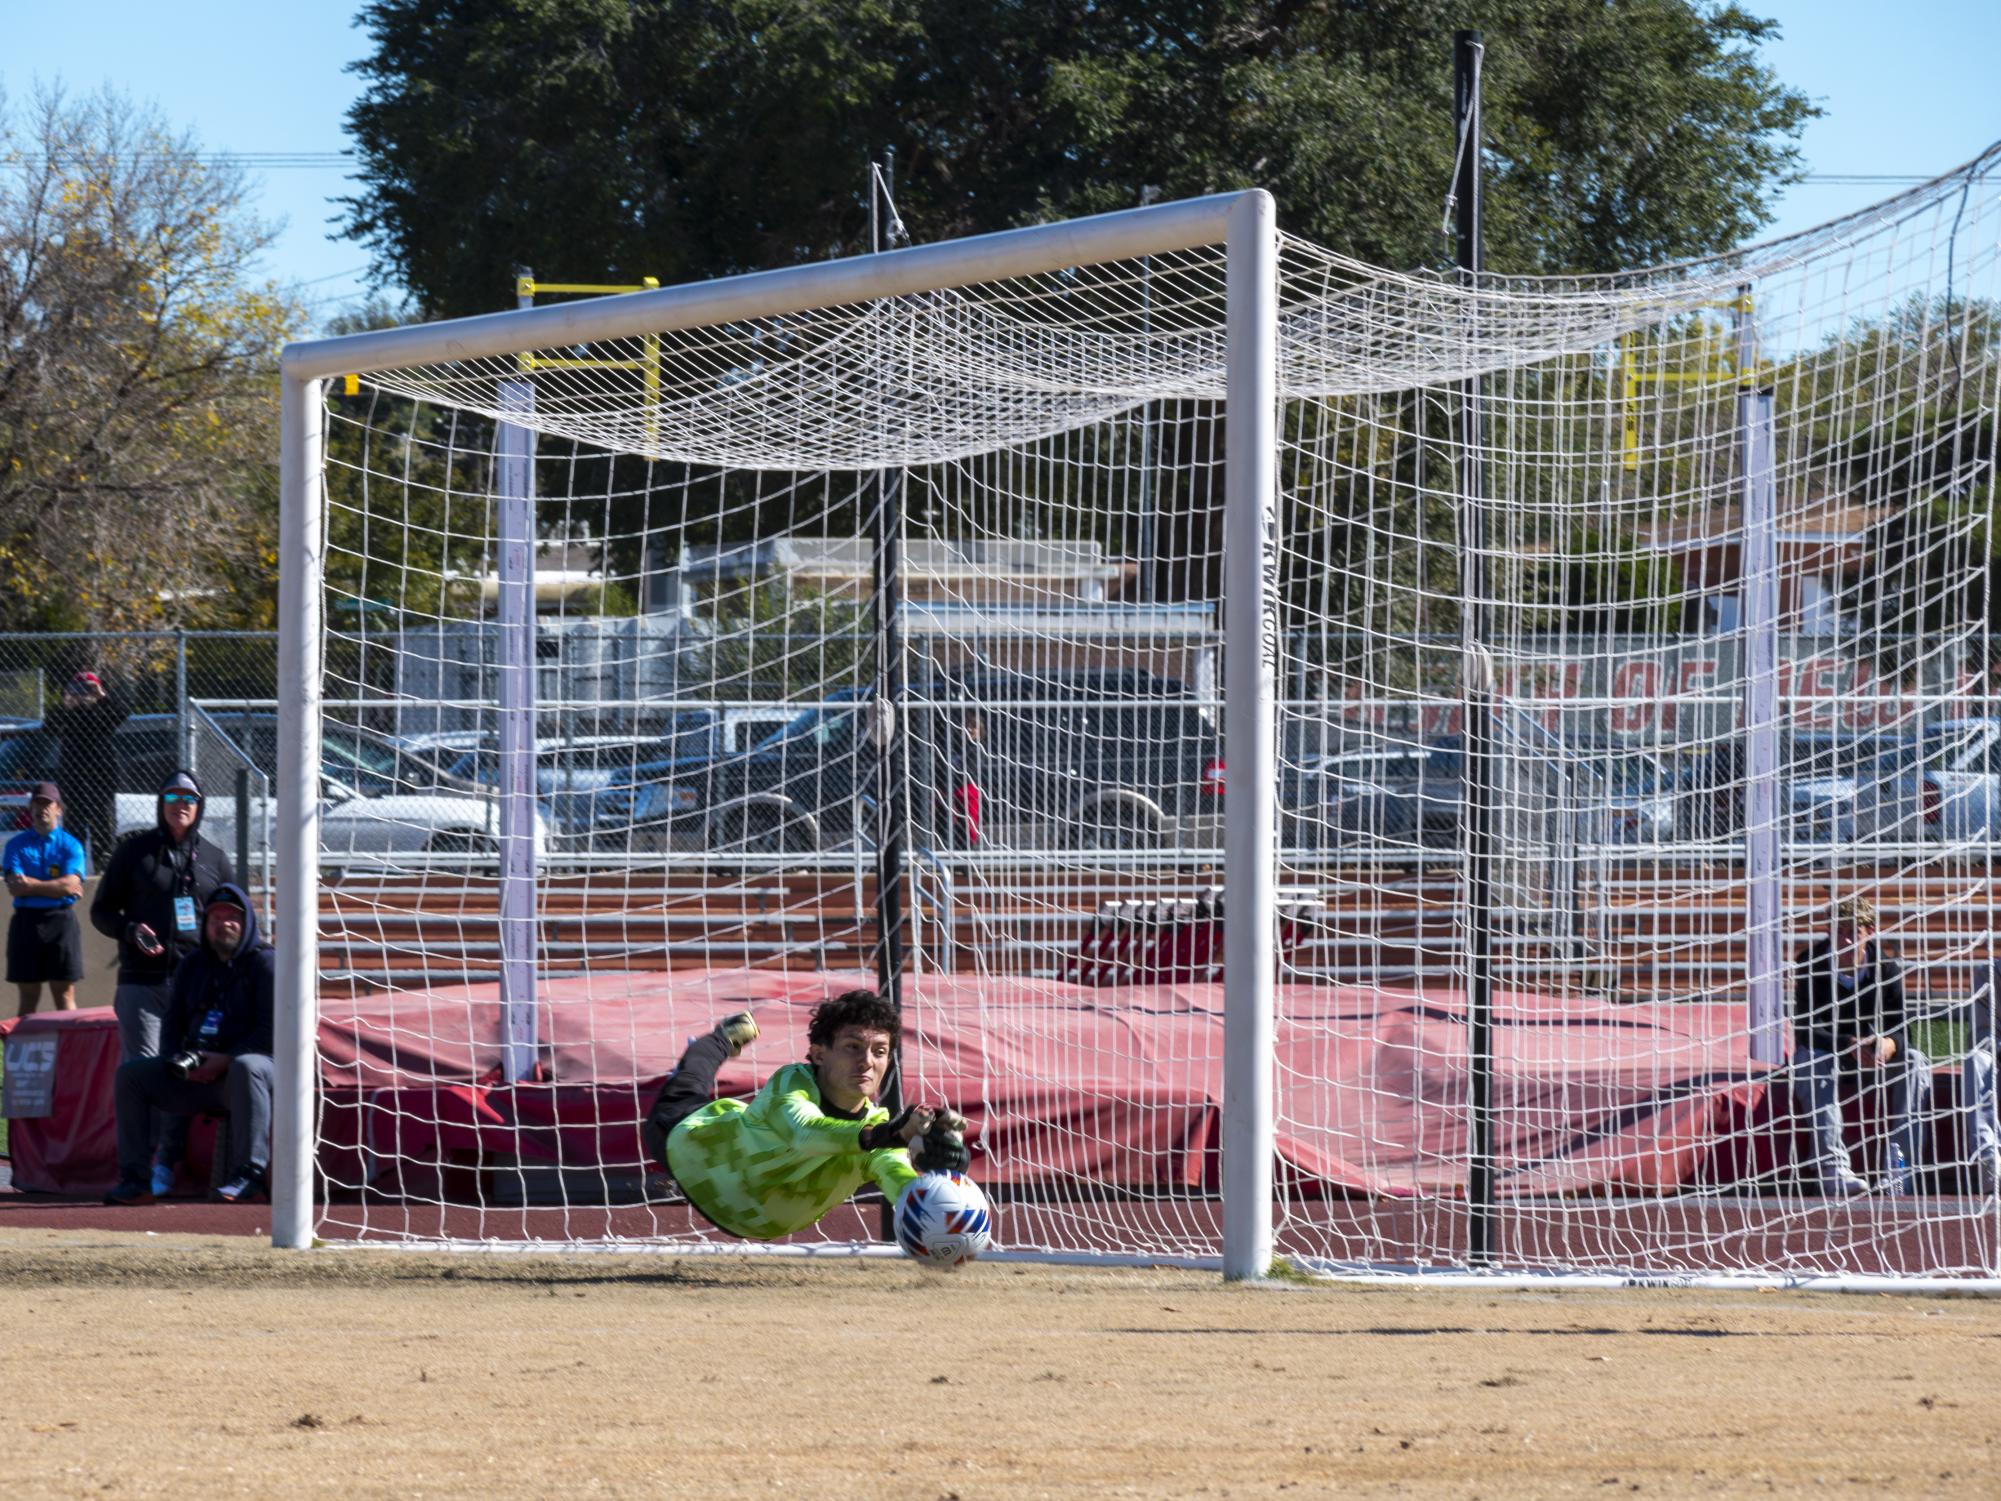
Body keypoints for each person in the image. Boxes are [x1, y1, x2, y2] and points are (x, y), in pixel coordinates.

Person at [640, 988, 969, 1241]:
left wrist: (942, 1182)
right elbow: (806, 1132)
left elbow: (903, 1186)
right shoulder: (791, 1083)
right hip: (688, 1145)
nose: (868, 1061)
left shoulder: (881, 1135)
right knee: (691, 1080)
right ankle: (722, 1038)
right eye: (853, 1046)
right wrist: (892, 1134)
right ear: (819, 1054)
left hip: (748, 1213)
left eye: (879, 1051)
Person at [89, 771, 236, 1194]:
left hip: (194, 986)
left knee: (181, 1070)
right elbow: (102, 912)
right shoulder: (135, 851)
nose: (181, 803)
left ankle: (167, 1163)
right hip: (141, 981)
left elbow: (234, 916)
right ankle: (138, 1167)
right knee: (143, 1068)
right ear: (161, 802)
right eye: (172, 795)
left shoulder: (214, 858)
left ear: (200, 805)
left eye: (189, 796)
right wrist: (130, 929)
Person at [103, 884, 274, 1206]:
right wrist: (176, 1061)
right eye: (215, 917)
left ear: (248, 921)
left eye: (232, 917)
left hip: (259, 1074)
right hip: (201, 1075)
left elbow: (273, 1031)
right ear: (204, 925)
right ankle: (135, 1180)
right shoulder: (192, 965)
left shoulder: (266, 964)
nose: (223, 923)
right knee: (131, 1076)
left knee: (246, 1065)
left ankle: (249, 1177)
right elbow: (172, 1024)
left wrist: (225, 1059)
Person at [1790, 896, 1934, 1196]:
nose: (1842, 938)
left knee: (1915, 1061)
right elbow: (1805, 1030)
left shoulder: (1886, 969)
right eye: (1836, 929)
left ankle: (1901, 1167)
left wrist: (1887, 1045)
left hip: (1872, 1058)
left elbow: (1903, 1031)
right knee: (1810, 1061)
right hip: (1830, 1053)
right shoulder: (1809, 962)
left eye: (1851, 930)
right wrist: (1847, 1045)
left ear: (1869, 931)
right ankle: (1832, 1167)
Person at [4, 782, 88, 1015]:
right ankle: (24, 1051)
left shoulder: (71, 845)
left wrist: (32, 885)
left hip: (60, 922)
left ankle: (70, 1051)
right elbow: (15, 886)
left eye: (48, 804)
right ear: (30, 808)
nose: (42, 810)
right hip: (26, 922)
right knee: (28, 997)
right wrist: (58, 887)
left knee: (64, 995)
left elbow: (70, 884)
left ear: (58, 809)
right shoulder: (16, 845)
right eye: (37, 804)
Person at [42, 669, 130, 865]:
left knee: (103, 828)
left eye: (87, 689)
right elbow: (48, 727)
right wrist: (67, 703)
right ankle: (73, 870)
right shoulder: (68, 714)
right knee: (74, 828)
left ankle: (104, 867)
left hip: (101, 778)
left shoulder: (103, 712)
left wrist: (102, 696)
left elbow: (122, 713)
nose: (82, 693)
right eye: (78, 688)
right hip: (73, 779)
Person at [1959, 959, 2000, 1198]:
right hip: (1998, 1057)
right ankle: (1989, 1161)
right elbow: (1983, 1034)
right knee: (1976, 1060)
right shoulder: (1989, 973)